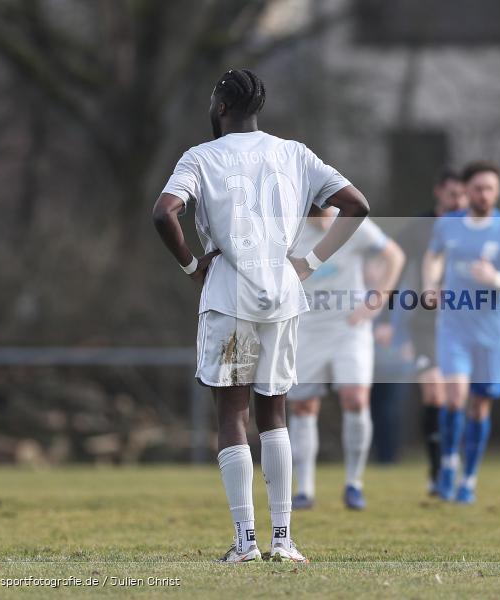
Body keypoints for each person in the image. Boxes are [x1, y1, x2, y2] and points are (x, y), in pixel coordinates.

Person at [152, 68, 368, 562]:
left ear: (221, 106)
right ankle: (283, 539)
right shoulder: (294, 152)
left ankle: (245, 541)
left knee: (232, 413)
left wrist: (190, 266)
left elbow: (164, 212)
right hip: (283, 297)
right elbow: (356, 204)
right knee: (275, 413)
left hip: (231, 298)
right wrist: (308, 262)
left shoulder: (200, 157)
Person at [423, 161, 500, 503]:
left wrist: (497, 279)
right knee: (455, 394)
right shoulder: (448, 225)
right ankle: (447, 465)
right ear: (467, 190)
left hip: (489, 332)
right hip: (453, 327)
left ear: (497, 191)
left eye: (489, 188)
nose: (483, 194)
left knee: (479, 407)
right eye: (477, 188)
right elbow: (433, 258)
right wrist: (430, 285)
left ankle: (468, 480)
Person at [286, 208, 404, 511]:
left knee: (355, 398)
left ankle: (354, 484)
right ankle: (305, 490)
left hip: (349, 327)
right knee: (303, 405)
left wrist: (374, 304)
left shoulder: (350, 223)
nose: (323, 211)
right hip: (306, 329)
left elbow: (394, 256)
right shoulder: (288, 226)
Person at [394, 167, 467, 494]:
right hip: (424, 325)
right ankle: (437, 470)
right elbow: (393, 266)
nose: (459, 201)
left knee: (456, 397)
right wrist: (385, 319)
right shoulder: (419, 228)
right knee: (434, 393)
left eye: (463, 195)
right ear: (439, 192)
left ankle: (451, 462)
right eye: (453, 194)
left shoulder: (471, 228)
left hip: (462, 323)